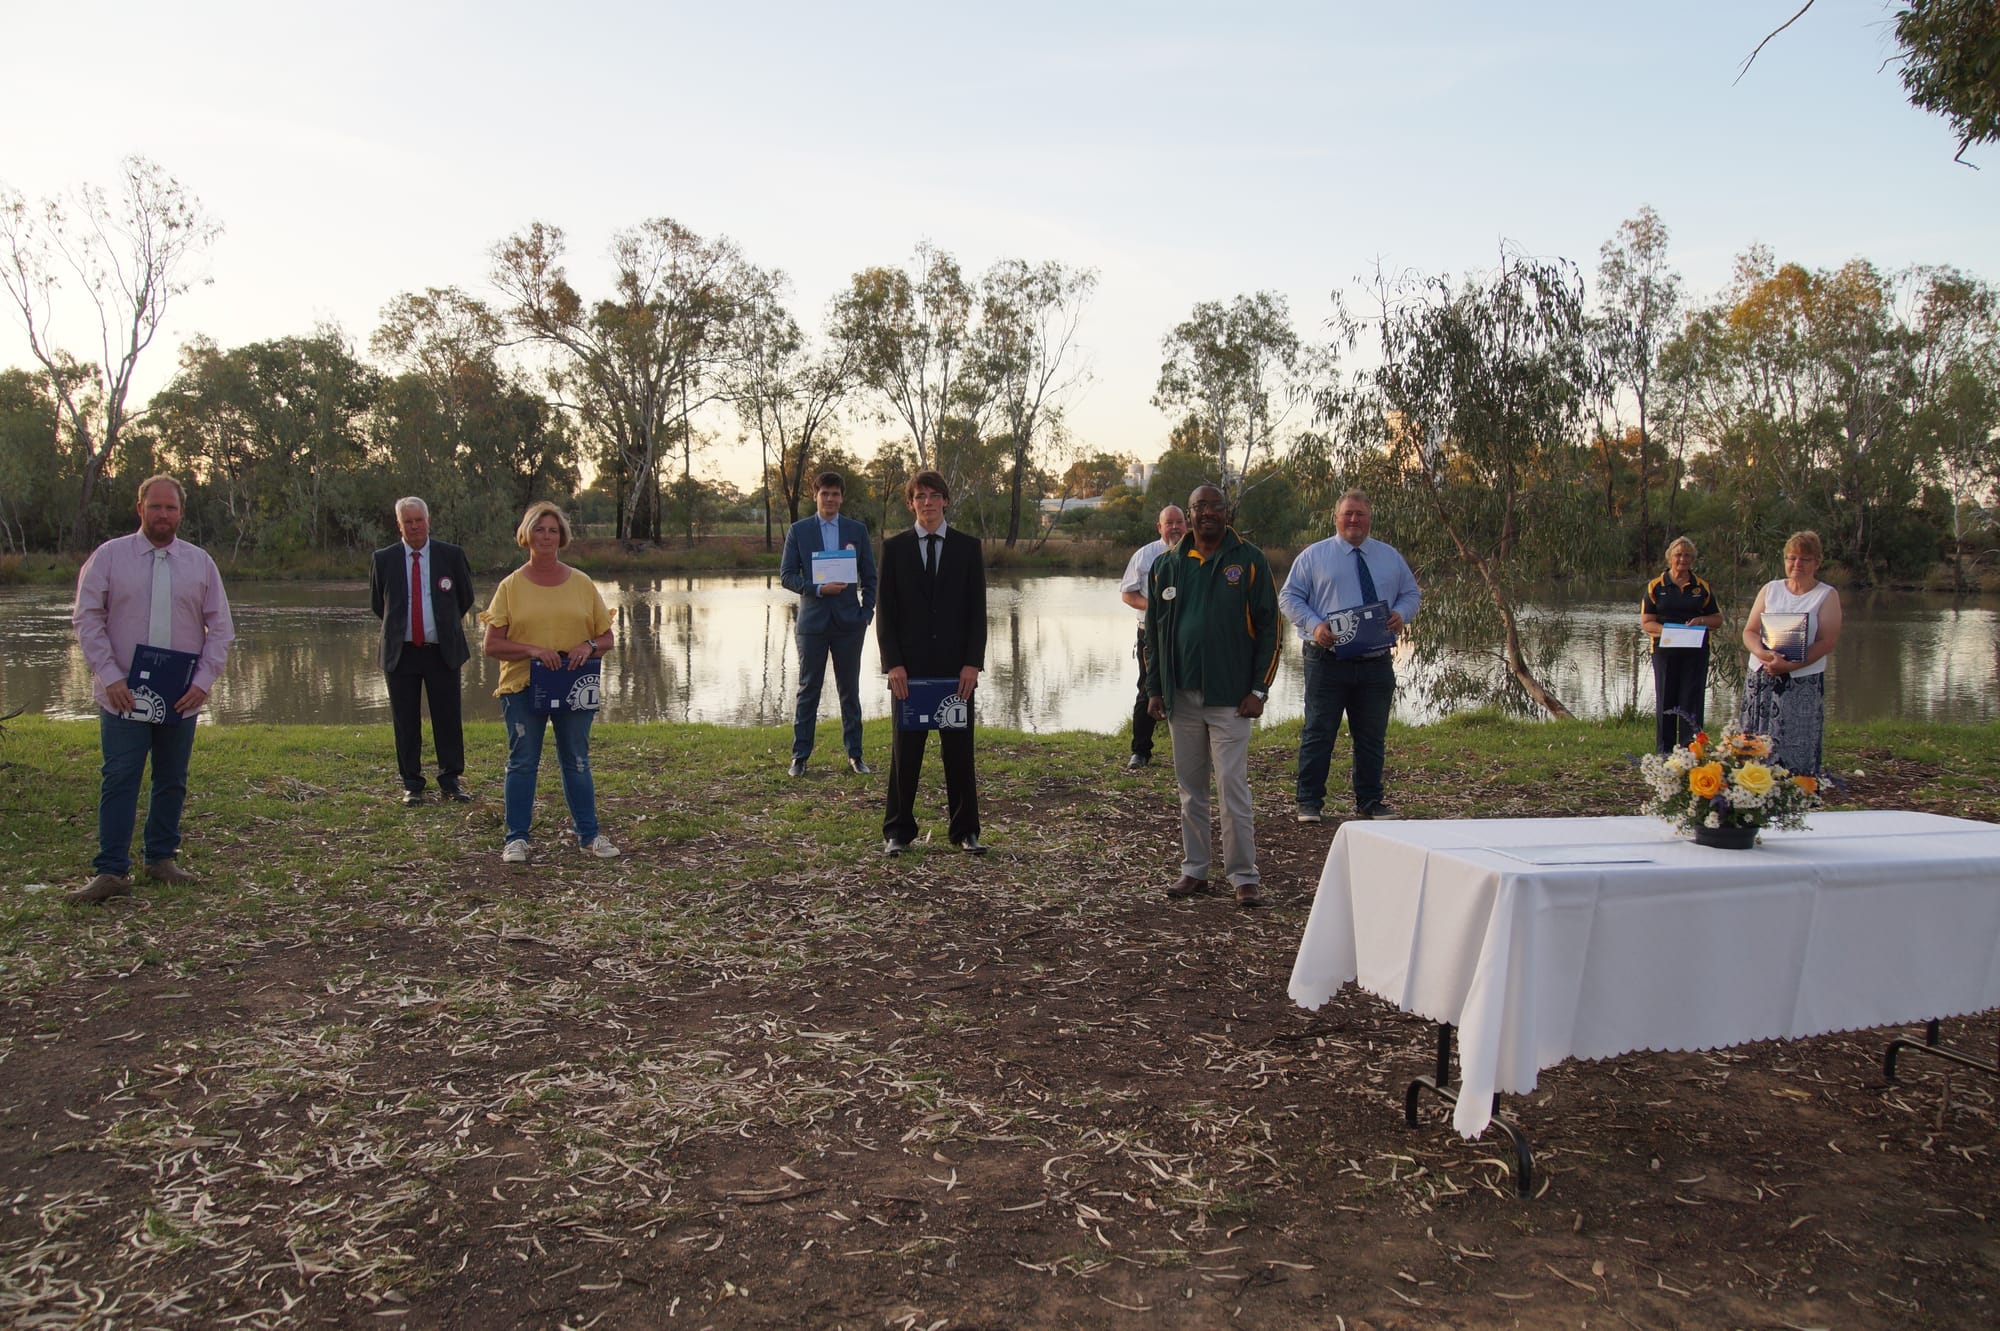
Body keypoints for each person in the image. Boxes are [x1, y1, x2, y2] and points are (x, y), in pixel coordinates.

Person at [69, 474, 234, 904]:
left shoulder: (200, 563)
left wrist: (202, 683)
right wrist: (110, 677)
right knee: (120, 776)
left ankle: (160, 859)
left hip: (181, 695)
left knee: (171, 779)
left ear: (181, 512)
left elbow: (220, 628)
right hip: (122, 693)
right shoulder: (108, 557)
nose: (164, 515)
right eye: (156, 507)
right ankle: (111, 870)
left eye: (172, 508)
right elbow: (87, 620)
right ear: (139, 508)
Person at [1145, 484, 1280, 907]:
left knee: (1231, 787)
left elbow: (1271, 631)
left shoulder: (1250, 560)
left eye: (1215, 506)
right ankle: (1195, 870)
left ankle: (1244, 875)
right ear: (1188, 513)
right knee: (1190, 789)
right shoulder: (1167, 564)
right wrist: (1154, 687)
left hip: (1231, 698)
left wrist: (1260, 689)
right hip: (1180, 698)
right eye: (1199, 507)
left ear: (1227, 512)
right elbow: (1153, 633)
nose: (1207, 513)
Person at [480, 502, 618, 864]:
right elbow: (492, 644)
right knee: (523, 761)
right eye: (539, 529)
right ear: (526, 534)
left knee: (576, 759)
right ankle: (517, 839)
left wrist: (587, 646)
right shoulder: (510, 586)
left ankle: (589, 835)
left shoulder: (582, 583)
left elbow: (606, 638)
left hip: (574, 686)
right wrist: (533, 650)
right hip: (524, 687)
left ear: (562, 537)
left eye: (553, 530)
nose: (546, 536)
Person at [1277, 489, 1420, 823]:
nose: (1354, 520)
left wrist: (1402, 613)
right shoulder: (1314, 556)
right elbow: (1289, 597)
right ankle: (1309, 802)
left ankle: (1370, 801)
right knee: (1318, 732)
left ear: (1369, 518)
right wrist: (1314, 626)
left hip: (1375, 661)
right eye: (1348, 514)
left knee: (1371, 735)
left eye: (1360, 514)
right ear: (1336, 518)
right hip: (1327, 660)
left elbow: (1411, 593)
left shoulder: (1389, 557)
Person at [878, 470, 987, 857]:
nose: (927, 502)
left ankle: (965, 831)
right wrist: (893, 665)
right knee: (905, 753)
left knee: (959, 753)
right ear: (910, 503)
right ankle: (898, 831)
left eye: (934, 495)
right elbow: (886, 614)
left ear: (945, 500)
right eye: (919, 496)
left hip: (956, 673)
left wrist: (972, 664)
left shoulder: (968, 547)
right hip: (909, 672)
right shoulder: (894, 549)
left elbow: (977, 612)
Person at [370, 496, 477, 805]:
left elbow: (465, 598)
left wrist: (441, 624)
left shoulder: (451, 556)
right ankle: (412, 783)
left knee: (448, 716)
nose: (414, 526)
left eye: (419, 520)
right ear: (399, 524)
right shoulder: (383, 559)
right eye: (408, 521)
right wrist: (404, 627)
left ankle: (450, 779)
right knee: (405, 720)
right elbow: (380, 605)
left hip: (441, 650)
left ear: (428, 521)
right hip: (400, 652)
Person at [778, 471, 879, 777]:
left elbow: (870, 577)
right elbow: (786, 576)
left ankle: (856, 755)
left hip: (850, 624)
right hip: (813, 624)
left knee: (850, 690)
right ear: (815, 495)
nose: (831, 499)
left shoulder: (856, 530)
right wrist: (818, 588)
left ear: (842, 497)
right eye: (825, 494)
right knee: (809, 689)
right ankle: (800, 757)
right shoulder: (799, 530)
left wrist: (867, 613)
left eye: (836, 494)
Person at [1739, 530, 1843, 776]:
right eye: (1791, 558)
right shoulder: (1771, 589)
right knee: (1754, 741)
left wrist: (1790, 666)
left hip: (1801, 680)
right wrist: (1762, 655)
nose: (1797, 564)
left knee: (1795, 739)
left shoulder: (1826, 595)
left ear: (1817, 563)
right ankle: (1750, 786)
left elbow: (1827, 641)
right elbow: (1750, 631)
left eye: (1804, 559)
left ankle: (1795, 788)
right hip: (1762, 675)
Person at [1117, 504, 1187, 770]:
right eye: (1169, 523)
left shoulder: (1196, 553)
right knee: (1148, 688)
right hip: (1152, 634)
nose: (1174, 527)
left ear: (1186, 524)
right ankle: (1140, 751)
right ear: (1159, 527)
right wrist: (1157, 608)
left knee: (1191, 690)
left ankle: (1196, 752)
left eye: (1179, 522)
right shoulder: (1145, 555)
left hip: (1188, 635)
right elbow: (1127, 593)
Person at [1640, 536, 1723, 754]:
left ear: (1693, 559)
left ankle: (1692, 751)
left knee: (1692, 700)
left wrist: (1701, 621)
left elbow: (1718, 619)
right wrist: (1667, 631)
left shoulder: (1701, 587)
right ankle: (1665, 752)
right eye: (1678, 554)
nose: (1683, 559)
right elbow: (1647, 622)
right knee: (1666, 699)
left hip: (1695, 653)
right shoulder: (1656, 586)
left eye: (1687, 555)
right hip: (1664, 651)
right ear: (1670, 557)